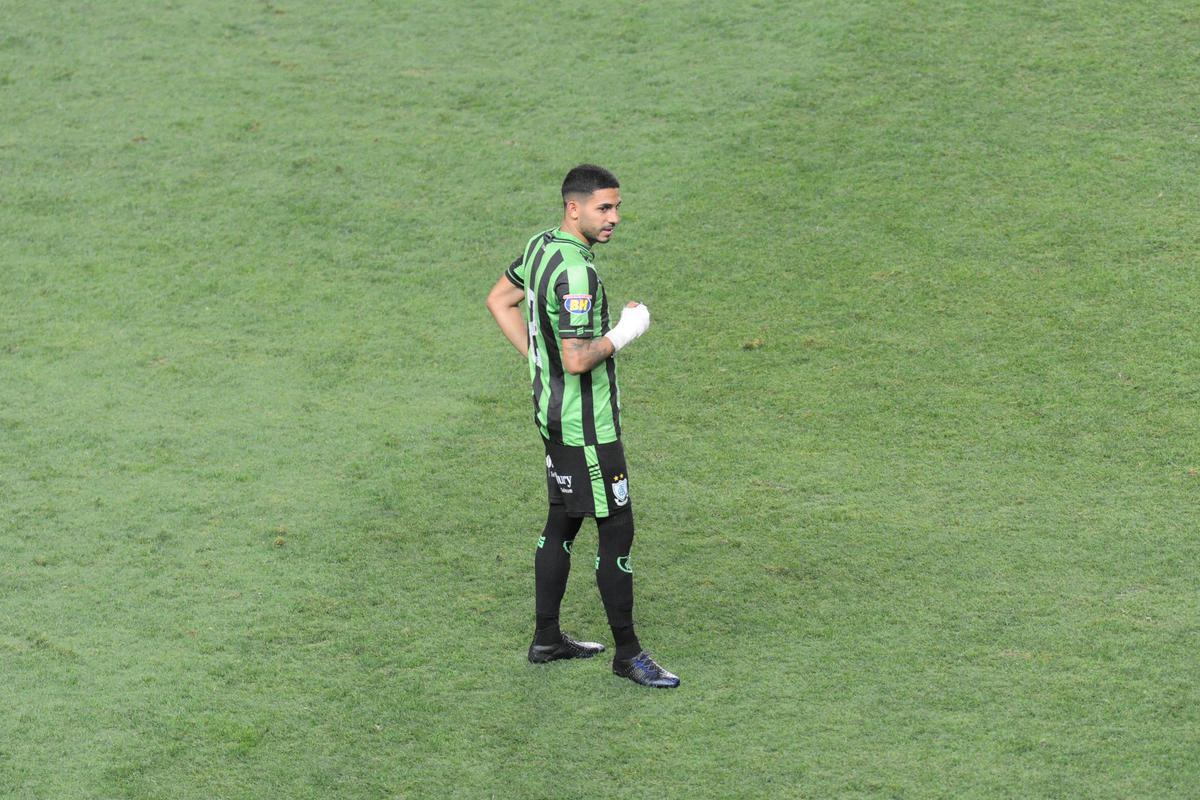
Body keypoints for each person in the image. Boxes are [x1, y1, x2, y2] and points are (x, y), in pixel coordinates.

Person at [485, 164, 679, 689]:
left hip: (551, 417)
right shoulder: (577, 274)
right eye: (604, 208)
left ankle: (547, 638)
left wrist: (538, 360)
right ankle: (628, 655)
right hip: (586, 427)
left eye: (617, 207)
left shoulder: (540, 245)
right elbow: (576, 359)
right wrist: (627, 330)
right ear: (575, 208)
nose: (614, 218)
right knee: (617, 528)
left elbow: (499, 300)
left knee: (563, 519)